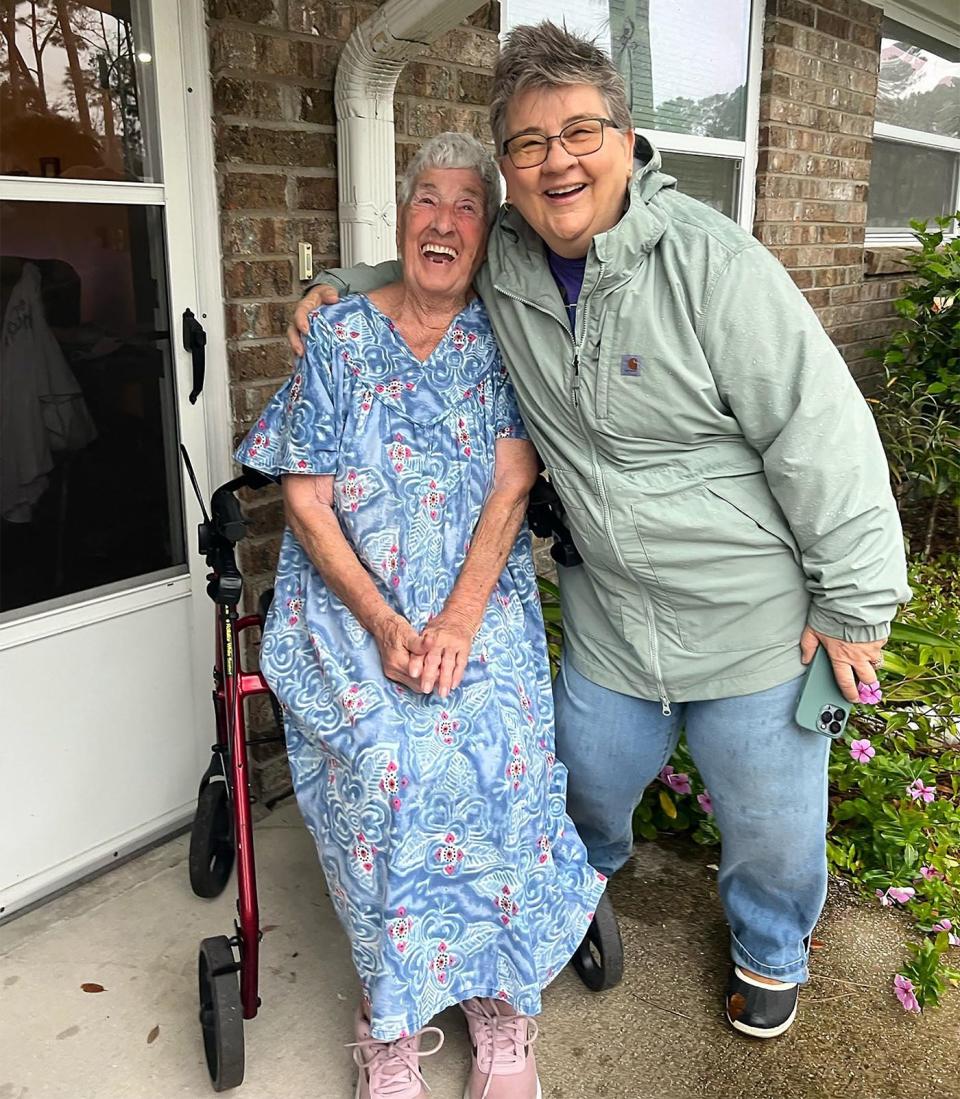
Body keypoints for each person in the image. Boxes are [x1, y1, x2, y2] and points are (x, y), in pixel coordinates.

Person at [292, 23, 911, 1041]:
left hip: (750, 617)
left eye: (581, 131)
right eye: (529, 143)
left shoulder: (712, 265)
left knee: (773, 826)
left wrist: (852, 599)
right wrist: (346, 289)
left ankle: (767, 947)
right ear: (509, 171)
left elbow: (822, 429)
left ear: (628, 142)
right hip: (615, 619)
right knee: (577, 785)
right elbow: (431, 263)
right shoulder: (511, 265)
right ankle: (570, 899)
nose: (557, 159)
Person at [240, 131, 604, 1099]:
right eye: (426, 201)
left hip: (476, 601)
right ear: (401, 218)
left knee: (506, 755)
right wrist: (387, 626)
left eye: (468, 205)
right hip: (343, 605)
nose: (443, 220)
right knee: (393, 765)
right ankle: (390, 1020)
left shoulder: (504, 336)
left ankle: (500, 1003)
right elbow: (306, 498)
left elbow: (511, 483)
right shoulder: (341, 333)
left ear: (490, 232)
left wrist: (449, 624)